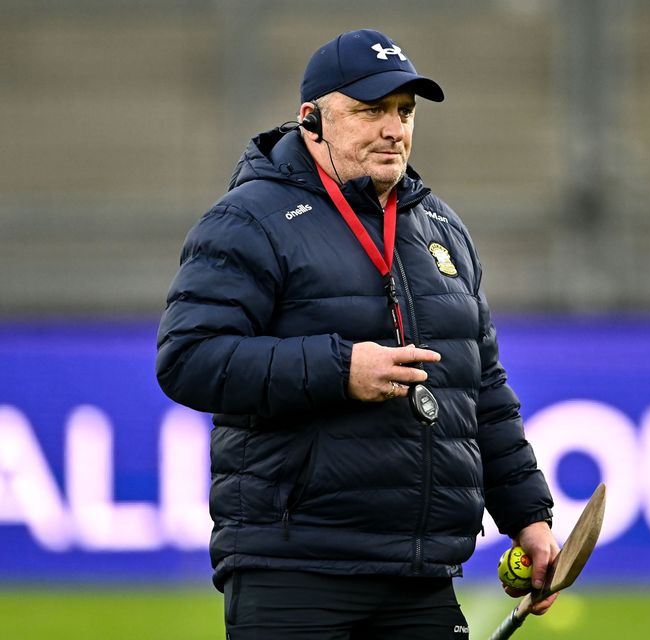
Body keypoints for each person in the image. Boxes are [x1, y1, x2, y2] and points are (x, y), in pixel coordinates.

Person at [156, 28, 558, 639]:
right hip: (294, 570)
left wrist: (527, 514)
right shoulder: (247, 220)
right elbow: (188, 358)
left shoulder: (442, 227)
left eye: (404, 111)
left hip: (419, 572)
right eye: (370, 111)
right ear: (311, 121)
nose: (393, 128)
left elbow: (482, 387)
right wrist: (340, 369)